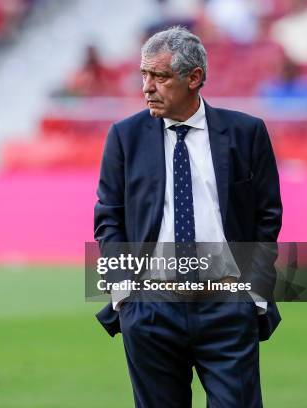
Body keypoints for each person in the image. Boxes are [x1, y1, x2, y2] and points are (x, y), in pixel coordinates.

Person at [94, 26, 282, 407]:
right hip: (150, 311)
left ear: (194, 78)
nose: (148, 86)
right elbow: (108, 219)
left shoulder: (246, 133)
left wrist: (254, 296)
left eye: (160, 76)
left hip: (227, 307)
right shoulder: (124, 137)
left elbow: (267, 218)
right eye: (144, 75)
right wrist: (123, 295)